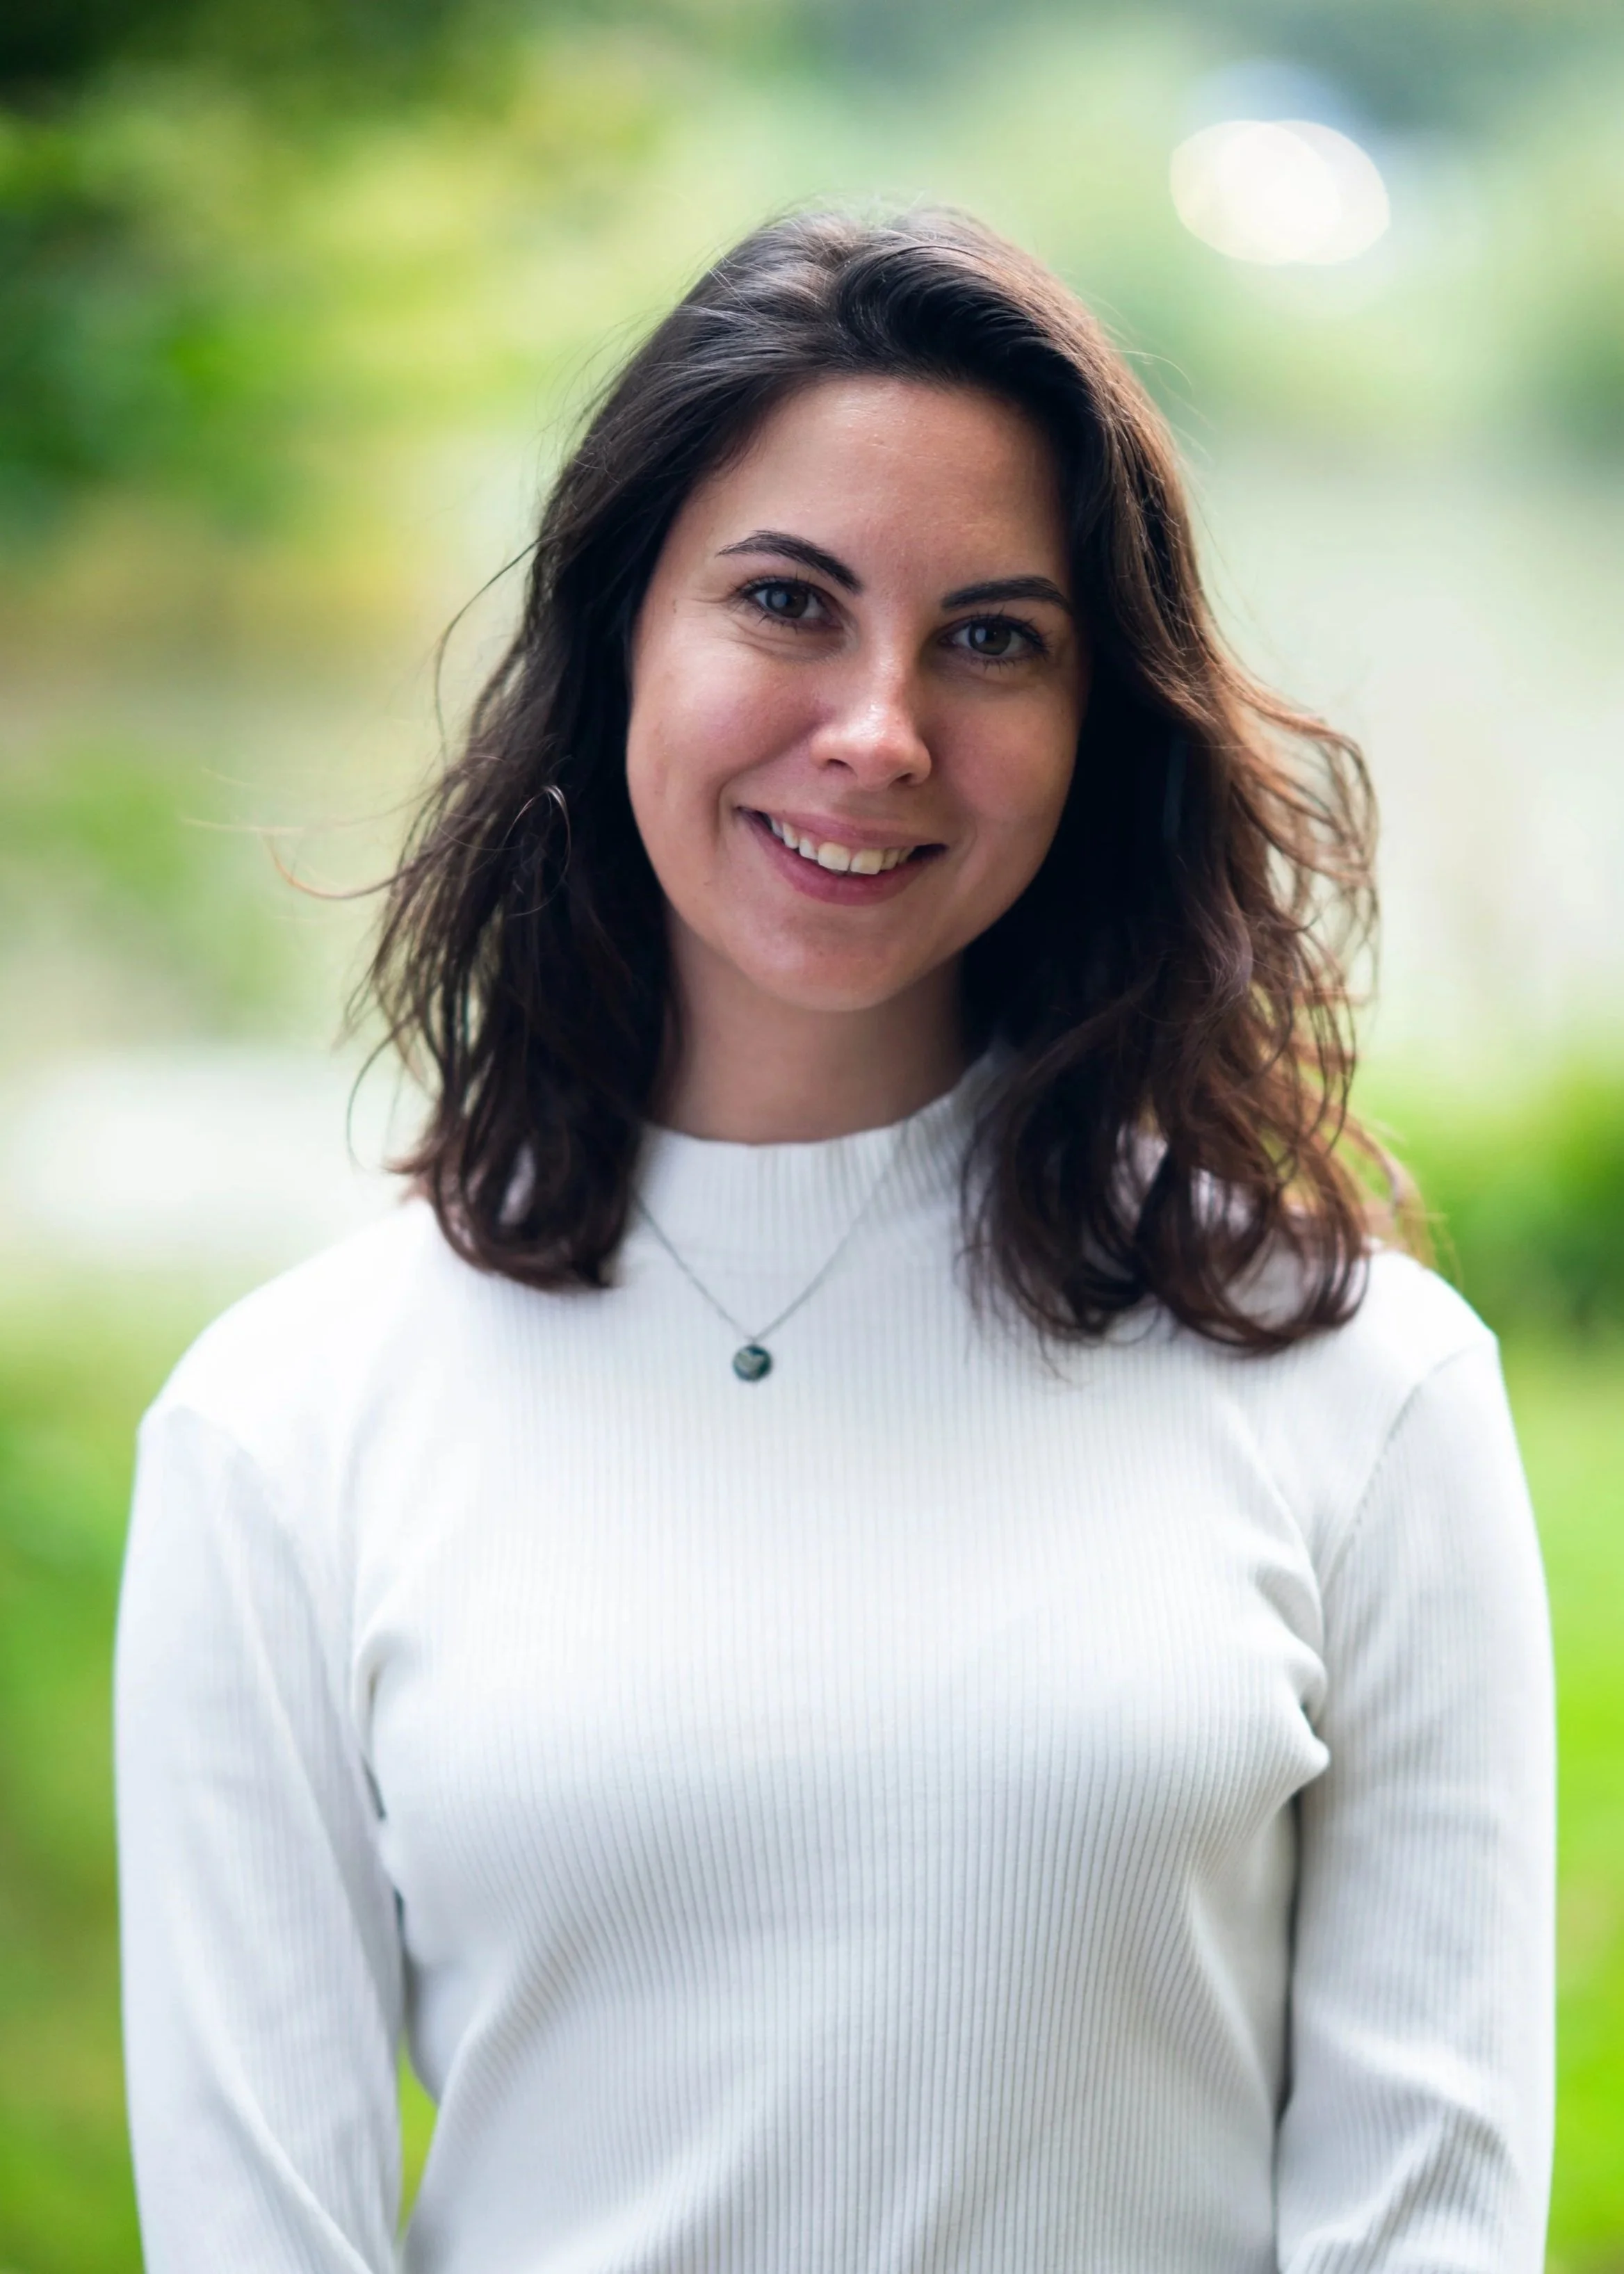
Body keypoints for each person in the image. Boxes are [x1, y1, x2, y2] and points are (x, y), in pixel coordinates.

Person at [114, 208, 1554, 2274]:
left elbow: (1429, 2222)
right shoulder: (285, 1428)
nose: (881, 726)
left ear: (1093, 726)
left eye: (993, 637)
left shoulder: (1363, 1393)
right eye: (789, 601)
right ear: (623, 634)